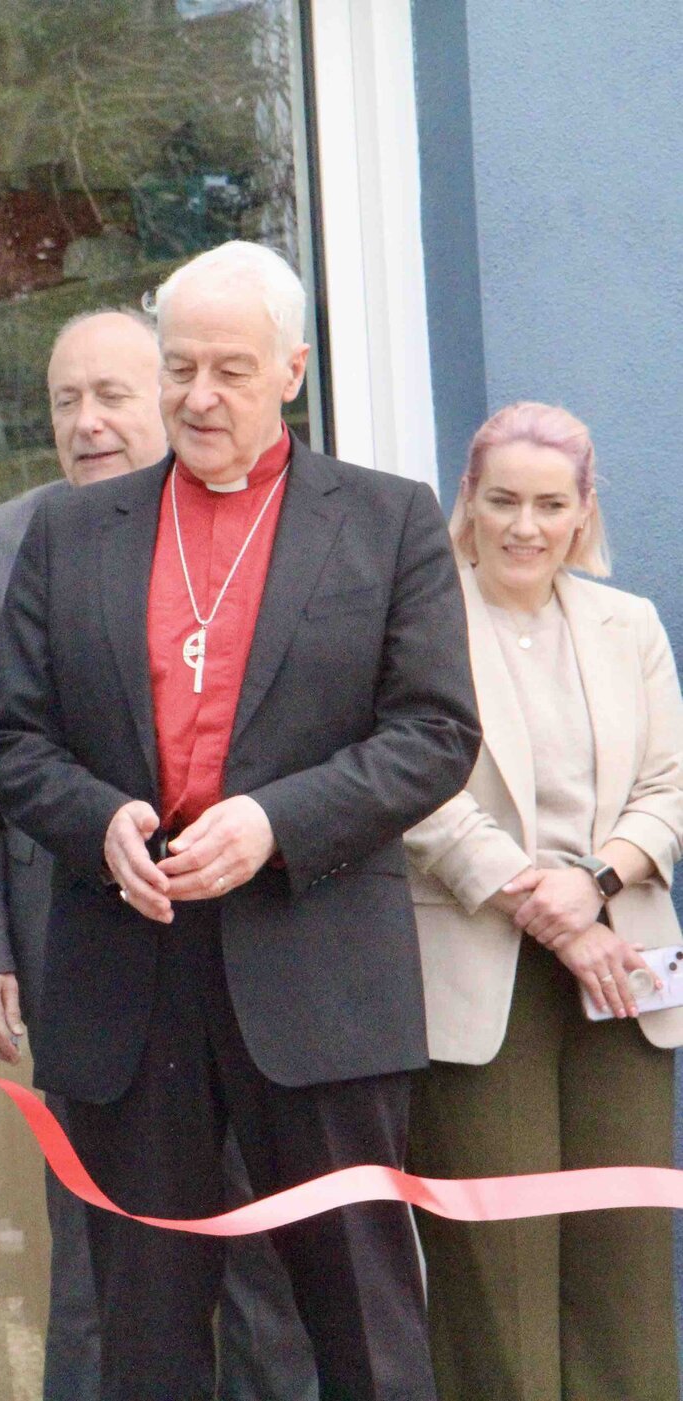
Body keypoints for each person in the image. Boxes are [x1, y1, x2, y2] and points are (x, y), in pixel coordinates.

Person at [0, 241, 480, 1400]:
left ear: (292, 372)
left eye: (232, 371)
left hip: (317, 976)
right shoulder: (70, 532)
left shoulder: (388, 522)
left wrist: (276, 822)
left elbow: (436, 734)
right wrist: (96, 822)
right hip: (128, 975)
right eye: (180, 366)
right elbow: (9, 741)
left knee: (364, 1328)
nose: (197, 396)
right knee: (143, 1339)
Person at [0, 305, 316, 1400]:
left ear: (174, 402)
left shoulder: (273, 530)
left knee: (263, 1256)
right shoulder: (0, 547)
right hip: (82, 955)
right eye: (66, 401)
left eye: (112, 396)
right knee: (108, 1255)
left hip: (261, 956)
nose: (88, 423)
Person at [403, 402, 683, 1400]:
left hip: (624, 973)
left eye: (550, 505)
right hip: (482, 976)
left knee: (626, 1270)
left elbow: (670, 789)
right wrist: (540, 902)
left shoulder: (630, 625)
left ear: (582, 513)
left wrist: (595, 883)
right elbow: (414, 791)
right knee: (498, 1273)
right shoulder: (420, 618)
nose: (526, 526)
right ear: (468, 504)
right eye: (504, 500)